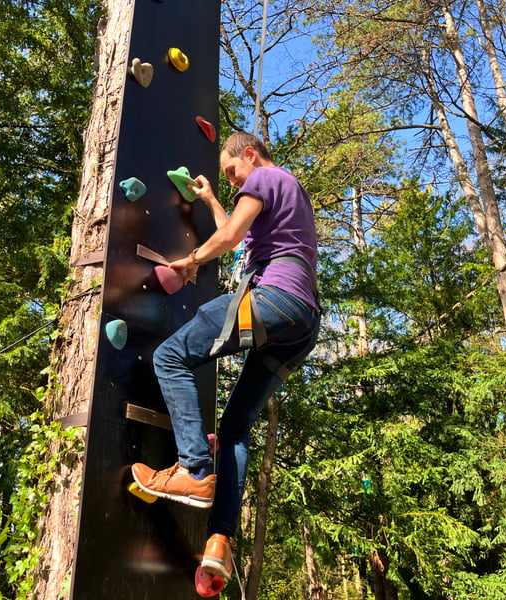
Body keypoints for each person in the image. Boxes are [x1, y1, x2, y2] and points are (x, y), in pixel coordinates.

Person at [131, 131, 320, 581]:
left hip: (274, 297)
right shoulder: (283, 191)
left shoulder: (267, 176)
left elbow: (231, 237)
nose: (235, 184)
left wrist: (191, 260)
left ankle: (194, 468)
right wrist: (212, 198)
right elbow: (237, 229)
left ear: (250, 155)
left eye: (233, 173)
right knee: (235, 428)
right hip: (302, 322)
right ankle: (220, 540)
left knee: (170, 357)